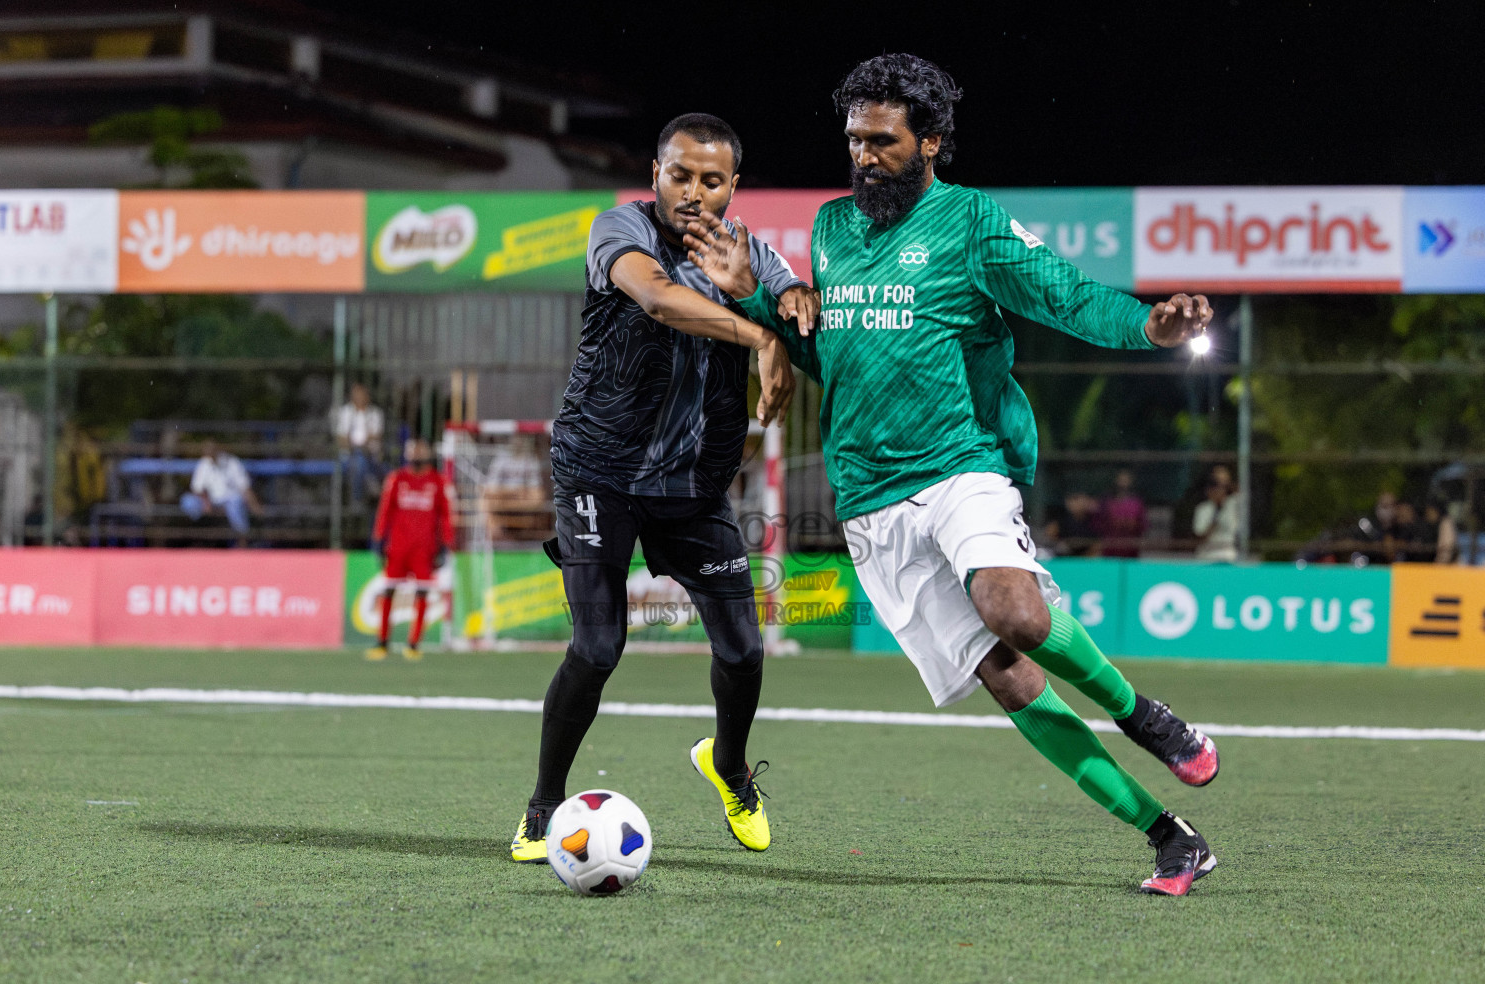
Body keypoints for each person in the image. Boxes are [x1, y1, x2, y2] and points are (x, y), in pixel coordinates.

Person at [689, 54, 1220, 895]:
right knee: (1009, 681)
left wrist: (1147, 324)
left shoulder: (970, 221)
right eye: (854, 140)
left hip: (960, 463)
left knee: (1014, 609)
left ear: (931, 141)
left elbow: (1070, 297)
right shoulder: (832, 228)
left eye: (883, 141)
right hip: (868, 497)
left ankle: (1143, 716)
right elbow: (837, 358)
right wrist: (755, 302)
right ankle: (1167, 836)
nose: (862, 156)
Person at [509, 113, 815, 864]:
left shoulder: (753, 255)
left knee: (743, 654)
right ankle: (542, 809)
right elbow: (656, 298)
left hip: (692, 488)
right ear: (655, 176)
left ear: (732, 188)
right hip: (599, 471)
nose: (693, 192)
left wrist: (793, 307)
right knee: (597, 645)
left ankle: (731, 769)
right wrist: (758, 334)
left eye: (712, 181)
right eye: (680, 175)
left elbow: (796, 314)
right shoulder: (621, 230)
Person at [368, 438, 455, 660]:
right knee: (388, 590)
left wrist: (446, 543)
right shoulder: (397, 478)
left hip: (425, 548)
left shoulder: (437, 481)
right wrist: (379, 539)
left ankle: (414, 644)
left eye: (419, 450)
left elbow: (445, 515)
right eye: (412, 451)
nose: (415, 455)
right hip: (397, 546)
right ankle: (382, 642)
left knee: (422, 591)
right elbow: (385, 510)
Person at [180, 440, 260, 546]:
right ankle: (191, 539)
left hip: (229, 500)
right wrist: (206, 502)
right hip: (211, 502)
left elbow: (244, 486)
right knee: (187, 501)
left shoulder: (232, 462)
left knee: (236, 502)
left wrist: (254, 505)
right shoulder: (204, 463)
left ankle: (242, 541)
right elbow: (197, 488)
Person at [335, 383, 385, 505]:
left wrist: (362, 442)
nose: (360, 398)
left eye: (362, 395)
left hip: (371, 455)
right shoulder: (345, 412)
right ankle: (361, 497)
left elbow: (377, 435)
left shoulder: (375, 413)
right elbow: (341, 438)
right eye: (357, 395)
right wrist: (357, 444)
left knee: (364, 462)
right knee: (360, 462)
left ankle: (358, 499)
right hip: (349, 454)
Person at [1192, 464, 1241, 562]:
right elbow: (1200, 535)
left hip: (1227, 554)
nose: (1219, 490)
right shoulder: (1203, 509)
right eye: (1216, 486)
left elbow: (1239, 492)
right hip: (1207, 554)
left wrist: (1225, 482)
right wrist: (1217, 513)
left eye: (1222, 487)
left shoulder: (1232, 504)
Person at [1096, 469, 1148, 557]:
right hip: (1111, 545)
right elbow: (1100, 522)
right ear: (1116, 481)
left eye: (1126, 480)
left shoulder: (1137, 502)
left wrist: (1132, 525)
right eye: (1121, 480)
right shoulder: (1107, 501)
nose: (1124, 483)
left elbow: (1143, 524)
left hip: (1130, 546)